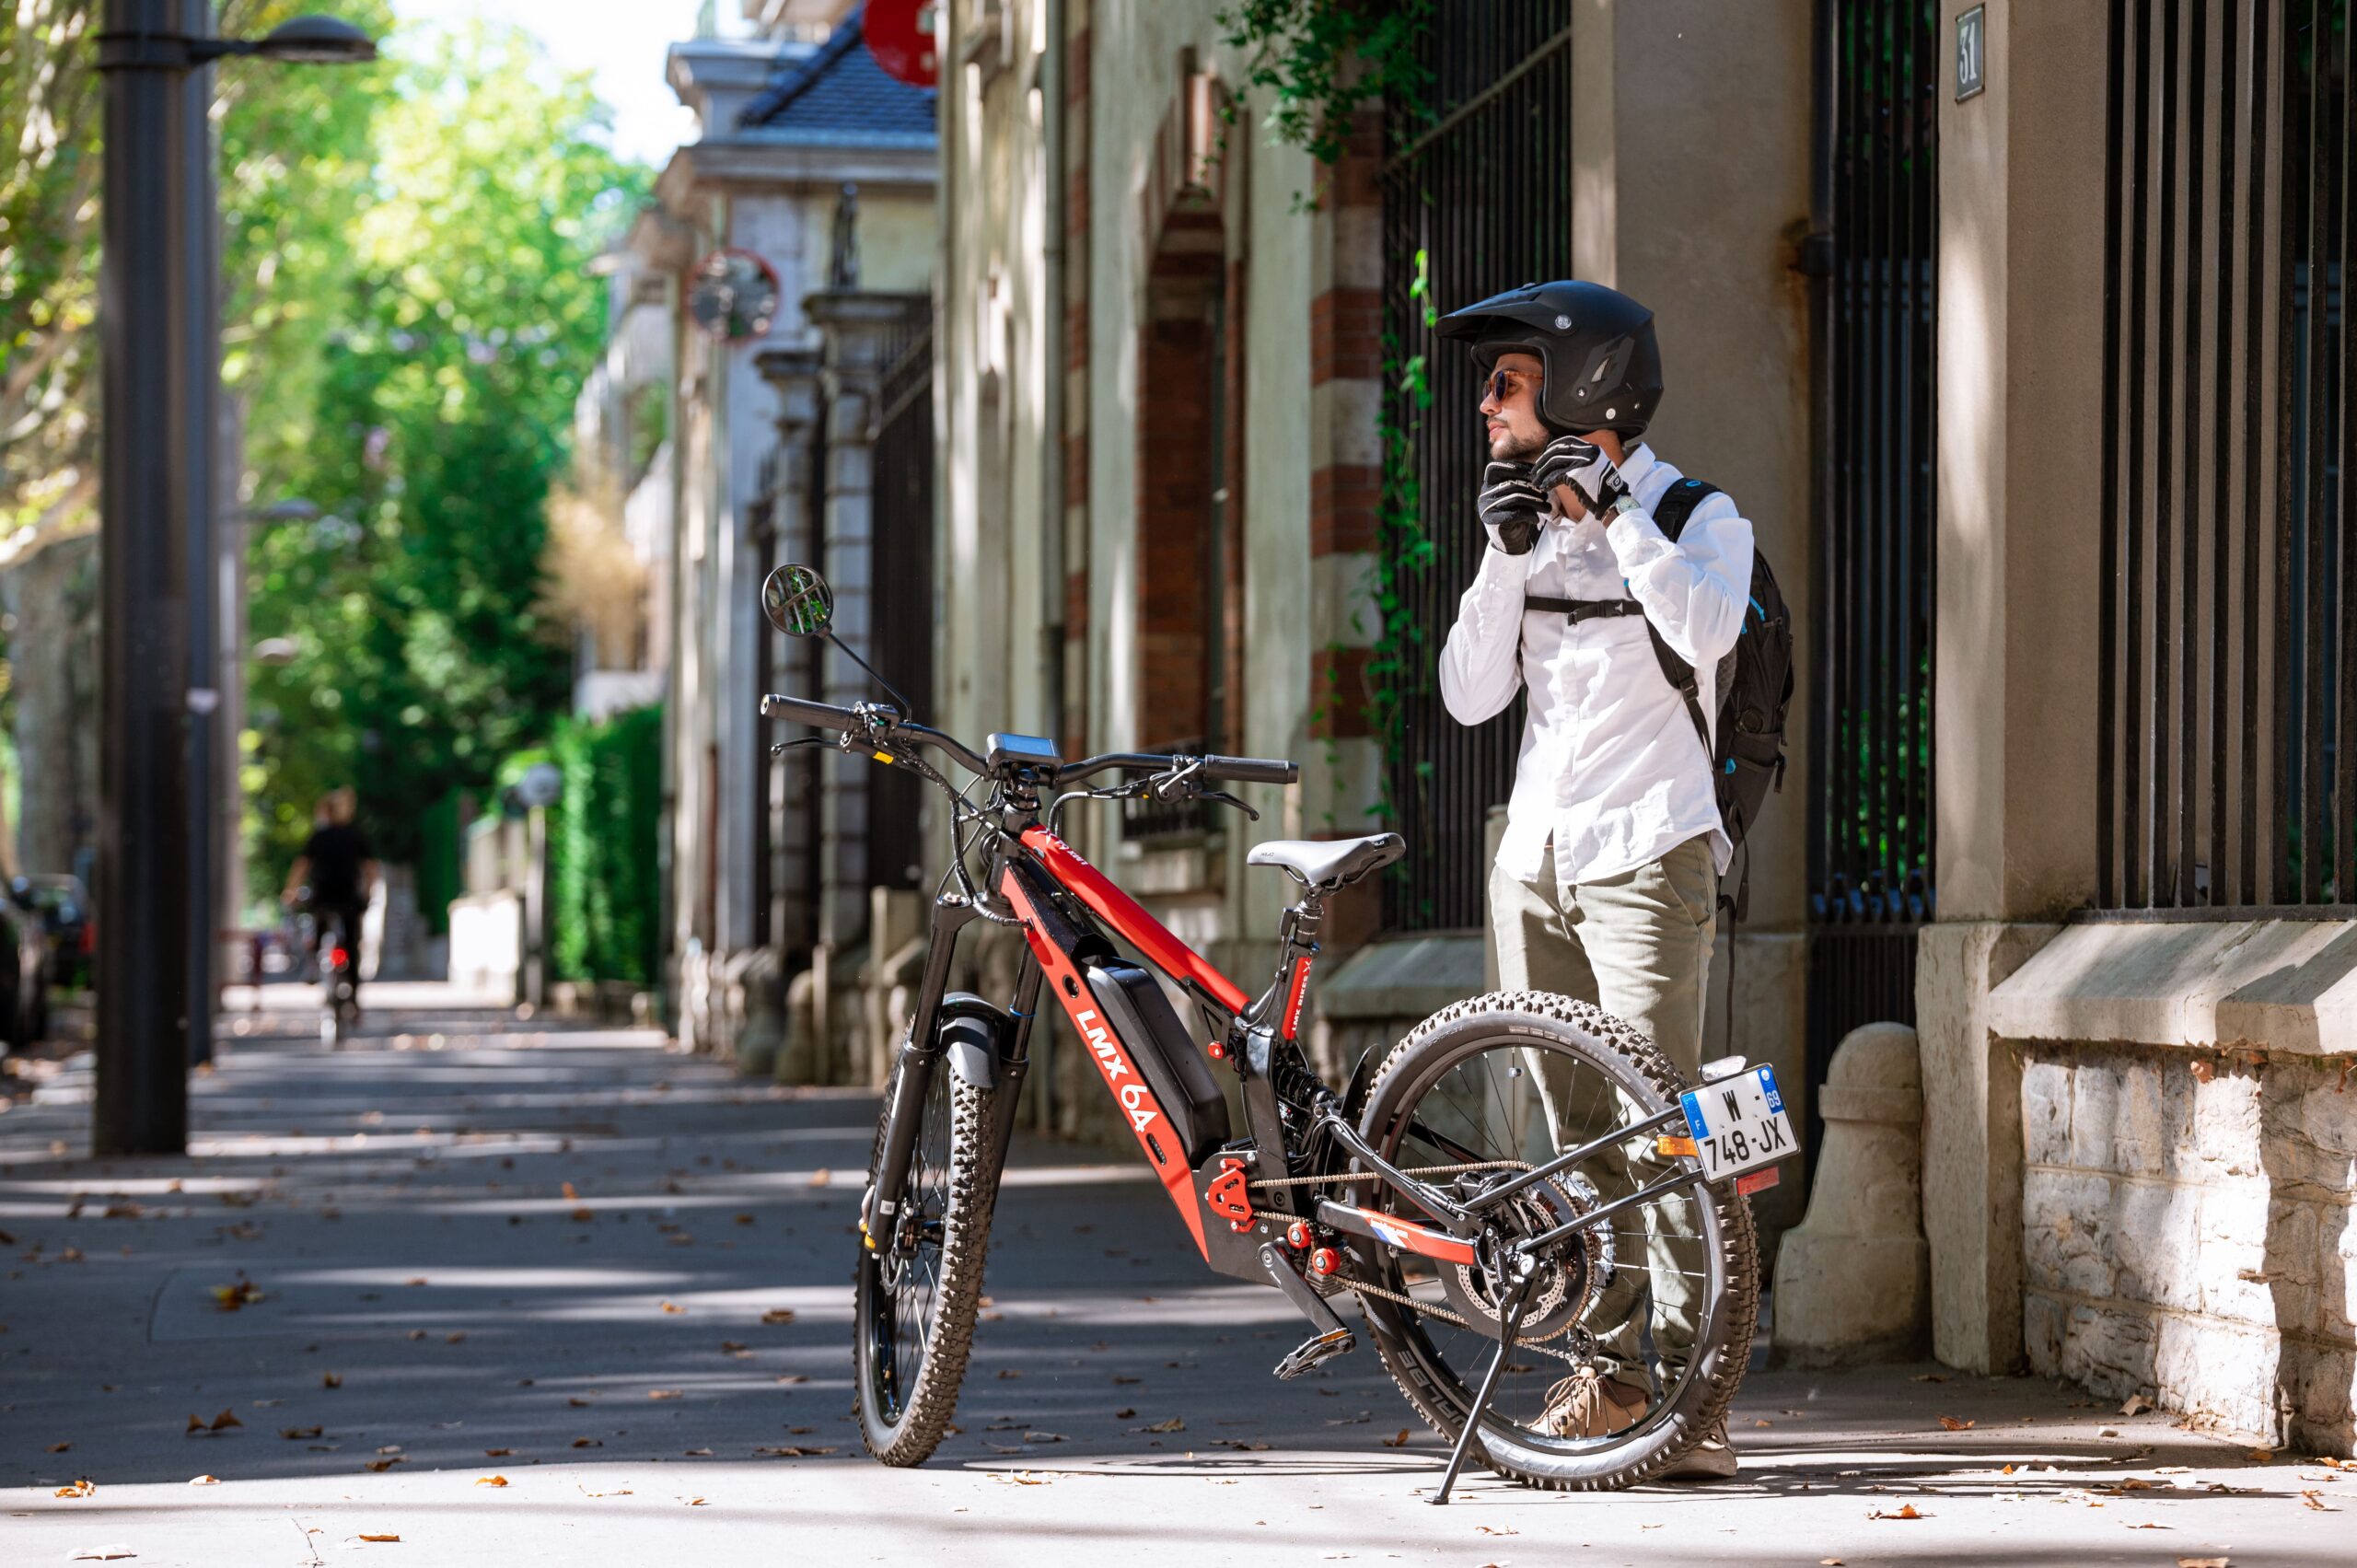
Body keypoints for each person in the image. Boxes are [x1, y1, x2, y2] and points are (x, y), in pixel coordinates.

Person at [1434, 280, 1755, 1480]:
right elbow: (1471, 694)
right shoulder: (1516, 530)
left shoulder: (1694, 512)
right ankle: (1612, 1371)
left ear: (1579, 385)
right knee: (1569, 1134)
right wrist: (1503, 554)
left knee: (1659, 1120)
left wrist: (1617, 514)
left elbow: (1711, 629)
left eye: (1503, 381)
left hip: (1646, 855)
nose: (1483, 404)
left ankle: (1696, 1389)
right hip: (1536, 860)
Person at [282, 788, 378, 1007]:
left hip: (323, 896)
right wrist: (368, 893)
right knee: (351, 943)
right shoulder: (356, 835)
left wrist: (291, 891)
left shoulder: (320, 836)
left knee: (320, 932)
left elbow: (301, 866)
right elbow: (370, 869)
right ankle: (353, 995)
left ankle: (315, 967)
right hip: (348, 897)